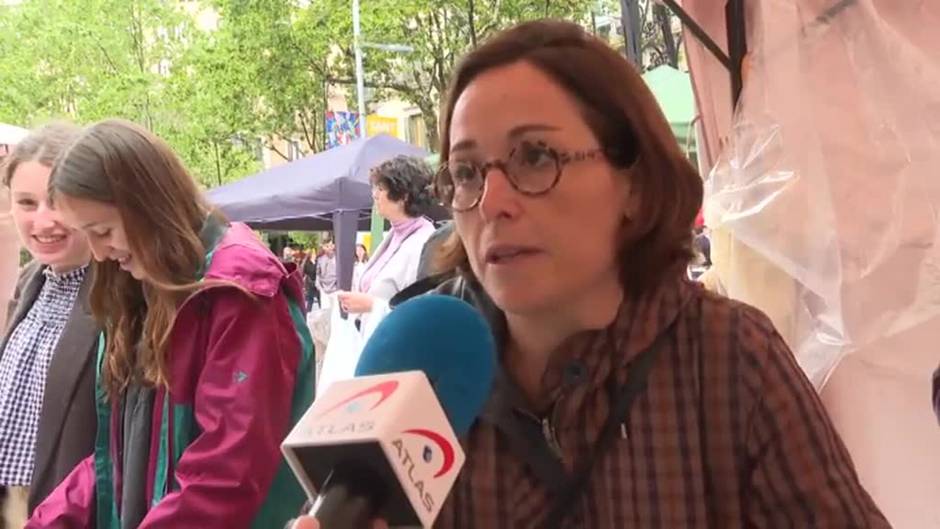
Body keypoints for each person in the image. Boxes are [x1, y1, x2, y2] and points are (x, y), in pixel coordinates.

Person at [295, 19, 887, 529]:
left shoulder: (731, 359)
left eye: (535, 156)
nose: (493, 200)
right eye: (467, 172)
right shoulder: (419, 364)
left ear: (633, 181)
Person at [27, 119, 314, 529]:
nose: (100, 253)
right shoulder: (142, 294)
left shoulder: (241, 292)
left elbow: (226, 474)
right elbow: (119, 460)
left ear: (146, 206)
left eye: (103, 231)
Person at [0, 123, 98, 528]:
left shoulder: (123, 295)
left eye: (57, 202)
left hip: (56, 511)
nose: (43, 221)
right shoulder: (30, 282)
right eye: (27, 202)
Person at [336, 156, 436, 333]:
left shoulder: (425, 243)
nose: (374, 194)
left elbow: (425, 314)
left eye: (381, 188)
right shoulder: (394, 234)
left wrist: (371, 305)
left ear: (403, 196)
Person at [301, 246, 319, 313]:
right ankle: (308, 313)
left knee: (319, 299)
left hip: (317, 283)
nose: (315, 255)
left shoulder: (318, 261)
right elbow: (306, 272)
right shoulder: (307, 263)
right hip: (310, 283)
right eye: (313, 253)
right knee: (310, 300)